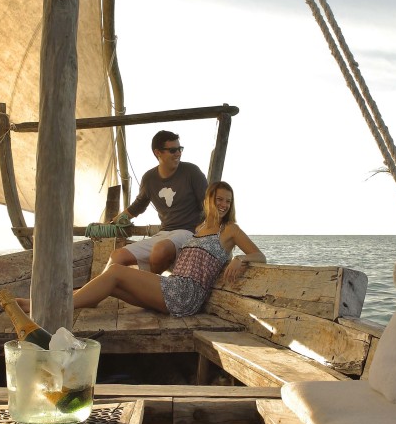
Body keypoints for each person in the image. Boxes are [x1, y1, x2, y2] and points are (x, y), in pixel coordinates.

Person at [36, 181, 264, 317]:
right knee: (112, 286)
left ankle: (52, 306)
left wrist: (240, 260)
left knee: (115, 270)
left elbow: (259, 256)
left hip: (185, 294)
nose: (223, 205)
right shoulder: (200, 227)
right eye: (219, 199)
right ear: (208, 200)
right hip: (174, 286)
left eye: (228, 201)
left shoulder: (230, 229)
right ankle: (70, 300)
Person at [112, 130, 209, 273]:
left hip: (189, 232)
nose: (178, 153)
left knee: (159, 250)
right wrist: (113, 223)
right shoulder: (149, 178)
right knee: (117, 256)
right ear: (158, 152)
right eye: (173, 150)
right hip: (164, 234)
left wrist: (205, 230)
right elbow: (138, 206)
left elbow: (209, 204)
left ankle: (151, 290)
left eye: (180, 149)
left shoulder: (191, 171)